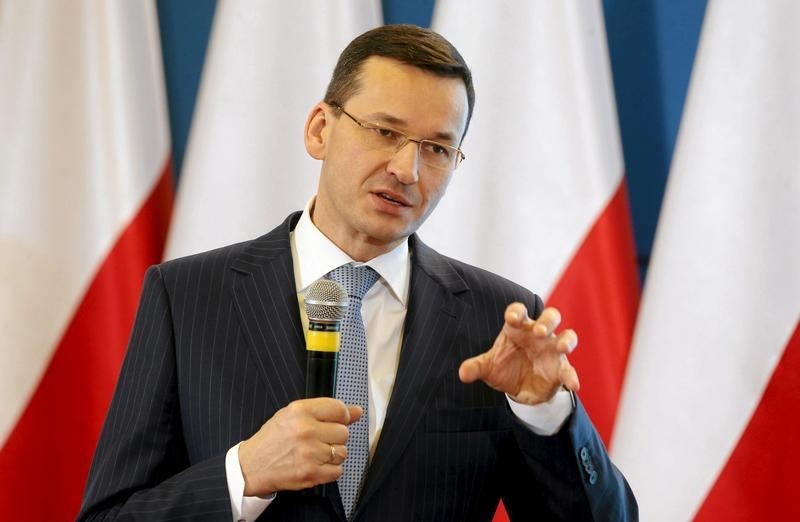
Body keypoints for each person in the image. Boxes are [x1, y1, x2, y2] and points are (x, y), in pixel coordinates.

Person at [79, 24, 637, 521]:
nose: (406, 169)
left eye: (438, 148)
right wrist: (242, 474)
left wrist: (545, 413)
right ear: (320, 129)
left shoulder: (500, 322)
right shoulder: (187, 298)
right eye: (385, 132)